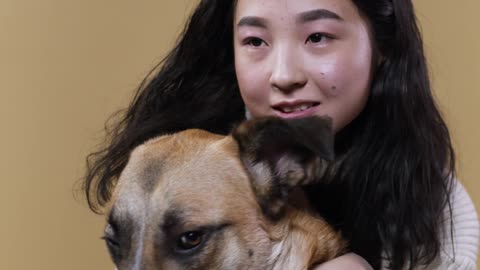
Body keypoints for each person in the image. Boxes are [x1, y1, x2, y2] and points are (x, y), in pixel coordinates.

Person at [83, 0, 479, 269]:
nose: (284, 75)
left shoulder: (438, 212)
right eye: (255, 41)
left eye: (318, 37)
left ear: (382, 46)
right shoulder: (166, 160)